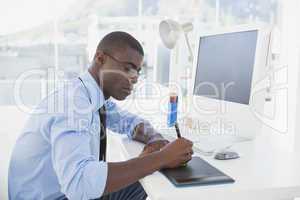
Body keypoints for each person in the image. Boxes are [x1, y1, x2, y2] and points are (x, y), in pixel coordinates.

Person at [8, 31, 193, 200]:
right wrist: (161, 158)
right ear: (100, 58)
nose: (134, 78)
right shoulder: (73, 103)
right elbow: (78, 184)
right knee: (149, 172)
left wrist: (155, 139)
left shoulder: (94, 97)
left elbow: (130, 122)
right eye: (128, 68)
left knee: (147, 175)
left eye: (137, 71)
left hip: (63, 192)